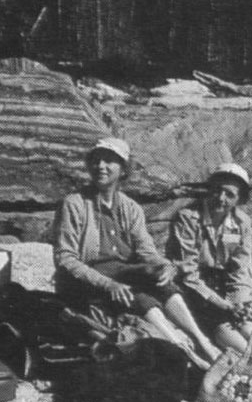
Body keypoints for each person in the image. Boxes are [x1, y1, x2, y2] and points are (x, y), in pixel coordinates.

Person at [52, 137, 221, 368]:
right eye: (96, 160)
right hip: (86, 279)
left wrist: (166, 266)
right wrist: (108, 285)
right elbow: (66, 259)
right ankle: (181, 348)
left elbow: (146, 251)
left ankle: (203, 342)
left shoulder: (130, 207)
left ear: (123, 169)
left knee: (161, 278)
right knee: (136, 294)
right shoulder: (74, 204)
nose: (101, 166)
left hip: (121, 273)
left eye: (110, 161)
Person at [166, 163, 252, 353]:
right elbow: (188, 272)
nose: (221, 198)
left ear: (239, 199)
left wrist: (239, 302)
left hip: (224, 285)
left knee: (248, 327)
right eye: (217, 191)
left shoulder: (242, 223)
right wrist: (224, 306)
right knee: (227, 331)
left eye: (229, 194)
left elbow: (241, 268)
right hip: (195, 288)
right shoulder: (188, 218)